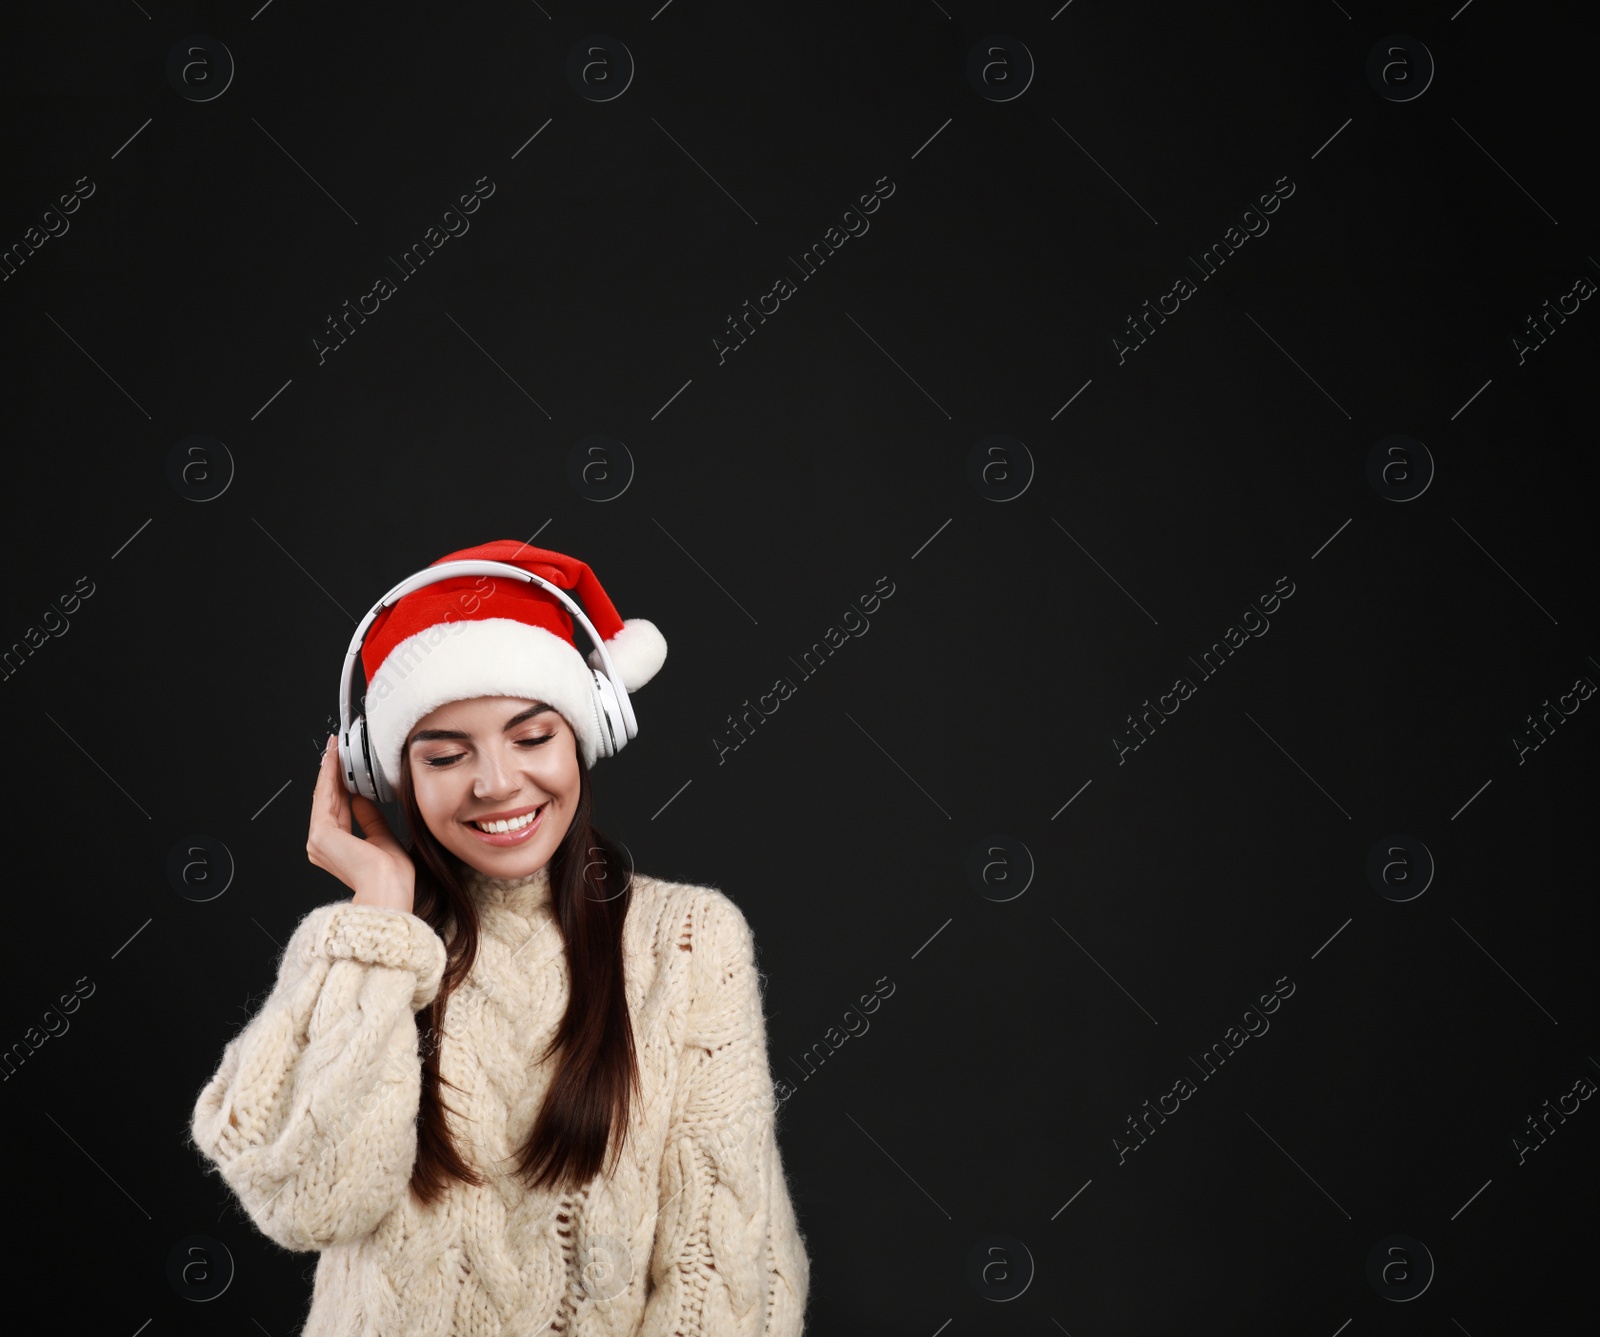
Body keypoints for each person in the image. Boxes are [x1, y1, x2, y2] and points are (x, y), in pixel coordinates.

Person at [189, 540, 810, 1335]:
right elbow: (307, 1200)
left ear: (584, 737)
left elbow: (719, 1274)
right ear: (391, 777)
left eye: (531, 737)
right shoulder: (370, 950)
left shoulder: (687, 942)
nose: (496, 782)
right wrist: (380, 918)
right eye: (446, 754)